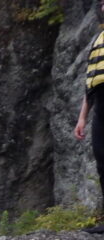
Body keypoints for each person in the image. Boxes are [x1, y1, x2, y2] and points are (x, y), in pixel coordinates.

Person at [74, 0, 104, 215]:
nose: (103, 8)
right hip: (101, 106)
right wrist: (82, 118)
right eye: (102, 4)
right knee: (102, 161)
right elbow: (91, 82)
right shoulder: (99, 39)